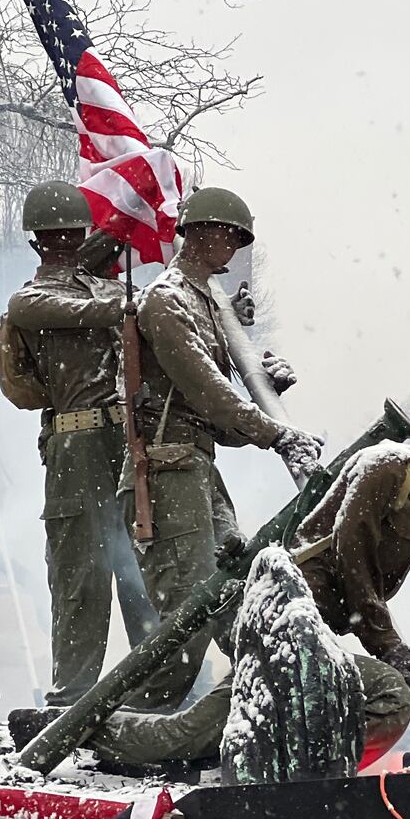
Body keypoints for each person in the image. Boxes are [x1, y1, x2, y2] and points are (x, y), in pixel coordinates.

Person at [83, 394, 410, 770]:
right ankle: (83, 730)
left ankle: (266, 759)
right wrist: (385, 642)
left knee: (196, 732)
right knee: (389, 695)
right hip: (283, 621)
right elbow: (350, 555)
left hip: (304, 630)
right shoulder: (389, 466)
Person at [115, 185, 319, 714]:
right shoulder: (167, 300)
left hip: (196, 466)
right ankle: (134, 725)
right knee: (191, 614)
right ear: (201, 233)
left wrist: (270, 394)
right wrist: (276, 432)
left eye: (237, 239)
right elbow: (207, 391)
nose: (233, 248)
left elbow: (219, 419)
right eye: (229, 236)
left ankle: (254, 706)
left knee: (233, 589)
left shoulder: (207, 303)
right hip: (166, 468)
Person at [0, 181, 162, 705]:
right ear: (39, 243)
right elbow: (71, 314)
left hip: (127, 440)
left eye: (70, 233)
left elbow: (155, 332)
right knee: (79, 578)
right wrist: (124, 306)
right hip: (75, 445)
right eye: (55, 235)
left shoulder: (117, 295)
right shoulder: (30, 301)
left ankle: (159, 690)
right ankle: (72, 698)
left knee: (143, 570)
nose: (63, 241)